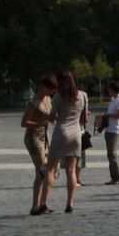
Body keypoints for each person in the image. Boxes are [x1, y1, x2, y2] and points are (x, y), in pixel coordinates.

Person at [44, 70, 87, 213]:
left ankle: (43, 201)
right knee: (71, 170)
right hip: (76, 135)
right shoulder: (81, 95)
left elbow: (51, 116)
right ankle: (70, 203)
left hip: (61, 133)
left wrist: (49, 117)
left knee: (50, 169)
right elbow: (84, 118)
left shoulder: (59, 96)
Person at [21, 74, 56, 215]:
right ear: (42, 87)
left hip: (45, 136)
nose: (51, 92)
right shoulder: (33, 103)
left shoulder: (48, 100)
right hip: (33, 137)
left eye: (53, 90)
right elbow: (24, 123)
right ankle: (38, 205)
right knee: (43, 170)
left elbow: (50, 116)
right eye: (49, 89)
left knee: (40, 173)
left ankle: (38, 206)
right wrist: (40, 123)